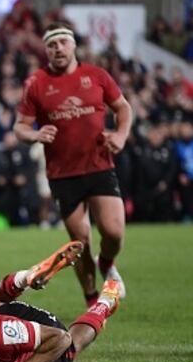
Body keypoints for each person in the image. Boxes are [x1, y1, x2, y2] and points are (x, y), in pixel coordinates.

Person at [14, 21, 133, 306]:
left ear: (73, 44)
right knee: (79, 244)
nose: (58, 49)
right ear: (46, 50)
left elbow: (124, 108)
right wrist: (35, 135)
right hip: (63, 174)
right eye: (52, 45)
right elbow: (20, 127)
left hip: (99, 165)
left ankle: (106, 262)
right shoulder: (37, 83)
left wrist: (121, 134)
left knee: (114, 232)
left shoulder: (96, 75)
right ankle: (93, 302)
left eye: (62, 42)